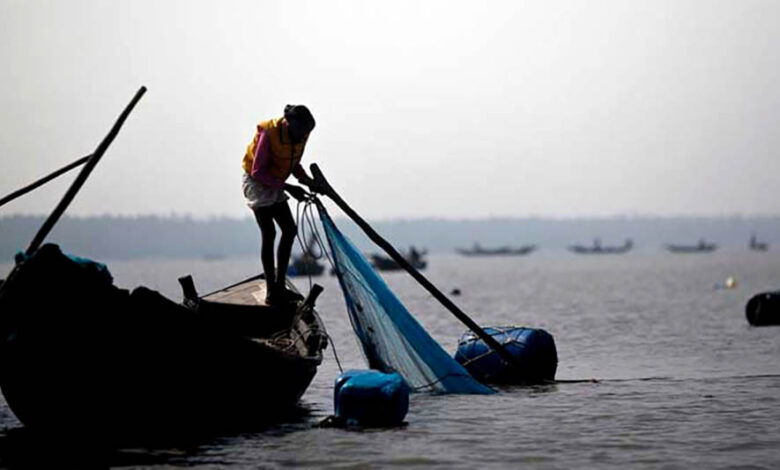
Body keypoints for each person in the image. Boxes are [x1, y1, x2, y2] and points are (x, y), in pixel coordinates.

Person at [241, 104, 318, 305]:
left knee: (290, 230)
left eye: (307, 132)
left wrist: (307, 181)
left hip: (276, 182)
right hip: (257, 183)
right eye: (301, 130)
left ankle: (280, 284)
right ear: (290, 124)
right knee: (269, 233)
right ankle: (272, 291)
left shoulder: (301, 134)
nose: (304, 135)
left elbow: (293, 164)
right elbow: (258, 171)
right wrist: (289, 188)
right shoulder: (270, 133)